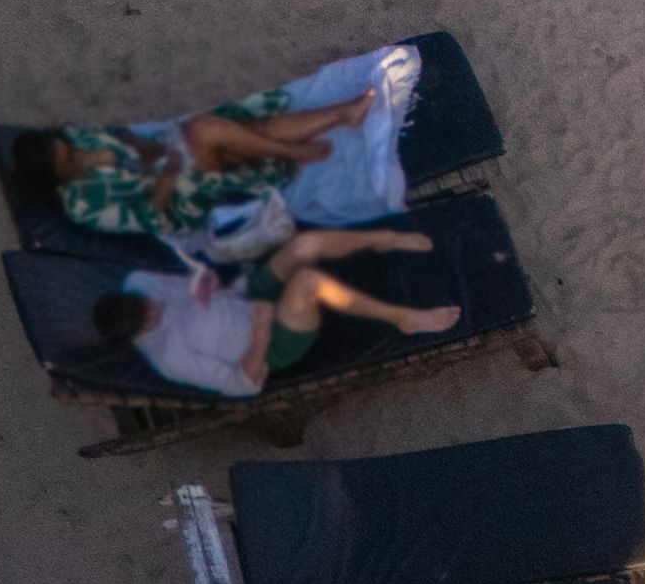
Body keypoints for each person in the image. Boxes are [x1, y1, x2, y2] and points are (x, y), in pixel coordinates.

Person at [89, 224, 459, 399]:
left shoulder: (139, 283)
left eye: (145, 300)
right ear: (145, 326)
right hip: (271, 343)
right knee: (308, 282)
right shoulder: (171, 358)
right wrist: (262, 330)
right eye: (151, 310)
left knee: (303, 245)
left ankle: (382, 239)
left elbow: (191, 284)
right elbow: (242, 385)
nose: (155, 302)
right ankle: (401, 318)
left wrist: (207, 282)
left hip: (243, 296)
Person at [50, 83, 374, 252]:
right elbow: (152, 217)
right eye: (71, 160)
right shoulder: (83, 206)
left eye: (71, 150)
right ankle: (296, 147)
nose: (78, 153)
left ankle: (338, 117)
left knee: (241, 135)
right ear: (58, 176)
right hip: (178, 202)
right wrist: (168, 174)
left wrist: (137, 148)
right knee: (205, 131)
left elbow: (131, 139)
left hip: (164, 157)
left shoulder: (80, 141)